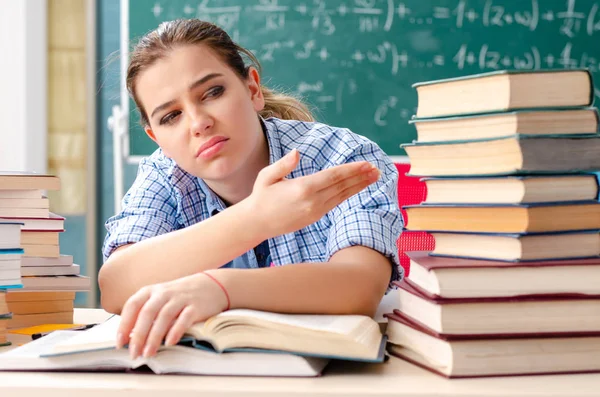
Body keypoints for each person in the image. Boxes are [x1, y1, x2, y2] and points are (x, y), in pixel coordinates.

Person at [98, 19, 403, 360]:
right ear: (156, 137)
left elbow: (359, 287)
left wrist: (218, 288)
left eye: (212, 93)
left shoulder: (342, 155)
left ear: (253, 89)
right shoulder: (164, 175)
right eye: (171, 116)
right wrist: (255, 219)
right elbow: (115, 286)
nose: (199, 123)